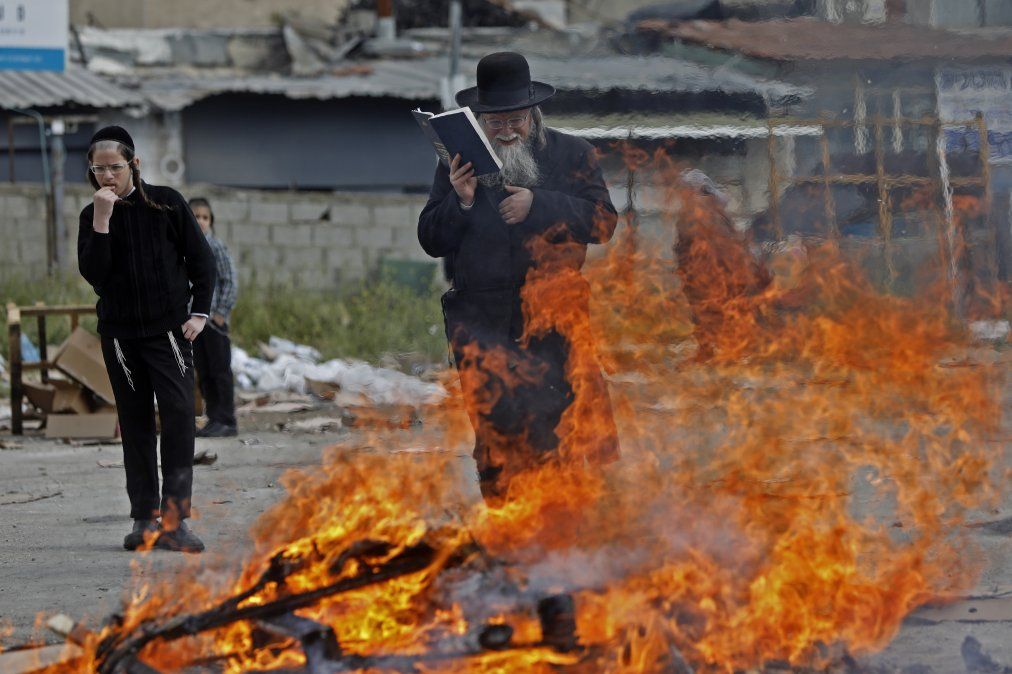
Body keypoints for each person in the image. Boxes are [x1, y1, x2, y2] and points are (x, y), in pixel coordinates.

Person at [417, 52, 619, 503]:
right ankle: (506, 540)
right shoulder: (456, 163)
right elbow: (430, 238)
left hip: (552, 322)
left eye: (516, 119)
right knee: (494, 440)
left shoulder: (573, 155)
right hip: (481, 326)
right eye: (495, 121)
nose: (506, 130)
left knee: (554, 434)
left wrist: (539, 205)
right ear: (479, 120)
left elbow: (604, 223)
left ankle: (556, 540)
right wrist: (461, 200)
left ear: (533, 113)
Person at [77, 126, 216, 553]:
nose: (107, 177)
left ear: (133, 164)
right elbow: (94, 275)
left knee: (177, 417)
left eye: (114, 168)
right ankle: (144, 518)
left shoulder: (167, 203)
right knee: (135, 423)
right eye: (98, 169)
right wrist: (102, 221)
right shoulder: (91, 215)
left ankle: (175, 521)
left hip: (168, 332)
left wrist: (200, 313)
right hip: (120, 336)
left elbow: (202, 261)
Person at [189, 198, 239, 438]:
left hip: (213, 322)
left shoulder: (215, 247)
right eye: (195, 216)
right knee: (204, 371)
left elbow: (229, 281)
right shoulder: (186, 249)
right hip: (194, 322)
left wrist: (220, 313)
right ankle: (213, 418)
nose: (200, 221)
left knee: (220, 371)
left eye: (205, 217)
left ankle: (226, 420)